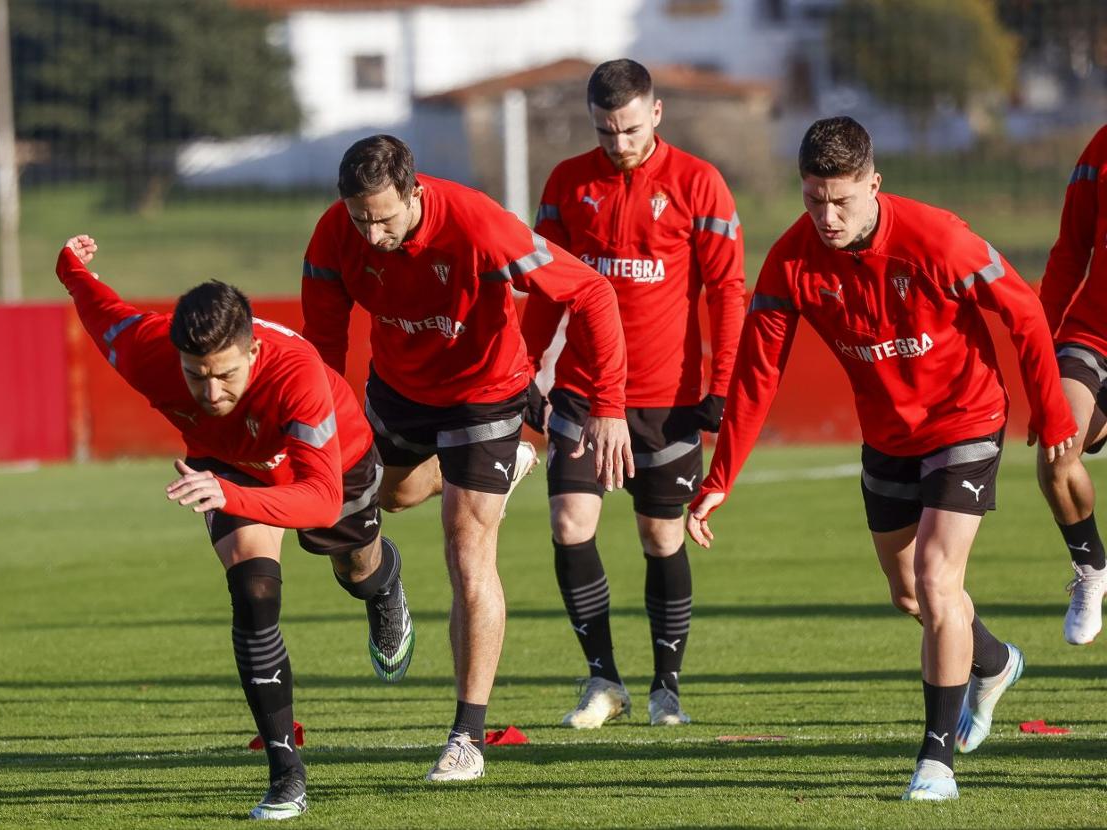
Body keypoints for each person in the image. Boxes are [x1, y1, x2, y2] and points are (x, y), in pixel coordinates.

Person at [684, 117, 1076, 801]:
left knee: (934, 573)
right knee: (909, 594)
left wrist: (1051, 410)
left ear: (873, 184)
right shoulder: (792, 260)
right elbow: (756, 372)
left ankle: (935, 760)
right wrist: (722, 478)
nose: (827, 217)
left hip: (965, 420)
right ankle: (991, 662)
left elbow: (1024, 313)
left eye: (842, 200)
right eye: (813, 199)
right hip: (888, 438)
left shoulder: (939, 240)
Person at [301, 135, 631, 781]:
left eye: (385, 218)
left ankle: (466, 738)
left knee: (465, 545)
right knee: (380, 501)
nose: (372, 234)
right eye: (360, 218)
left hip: (486, 396)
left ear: (415, 194)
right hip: (397, 393)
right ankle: (386, 579)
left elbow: (589, 292)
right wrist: (319, 441)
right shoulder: (336, 234)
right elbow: (323, 345)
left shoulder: (480, 224)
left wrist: (608, 406)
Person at [57, 235, 415, 820]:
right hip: (228, 467)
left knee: (356, 571)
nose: (212, 391)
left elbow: (322, 501)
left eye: (225, 375)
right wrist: (71, 266)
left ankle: (384, 582)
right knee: (253, 591)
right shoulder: (148, 351)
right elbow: (101, 311)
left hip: (332, 464)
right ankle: (285, 771)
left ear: (252, 353)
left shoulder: (298, 376)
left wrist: (229, 493)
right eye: (197, 377)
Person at [521, 59, 746, 729]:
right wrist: (527, 367)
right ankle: (603, 680)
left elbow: (728, 290)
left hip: (667, 397)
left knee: (660, 536)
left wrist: (723, 383)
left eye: (626, 129)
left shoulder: (699, 183)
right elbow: (543, 286)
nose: (616, 143)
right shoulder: (567, 183)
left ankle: (665, 688)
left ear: (655, 113)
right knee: (570, 524)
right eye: (603, 131)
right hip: (583, 395)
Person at [1036, 124, 1107, 645]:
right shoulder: (1100, 148)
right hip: (1093, 335)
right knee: (1056, 454)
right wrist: (1035, 356)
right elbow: (1068, 254)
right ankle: (1091, 571)